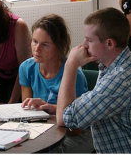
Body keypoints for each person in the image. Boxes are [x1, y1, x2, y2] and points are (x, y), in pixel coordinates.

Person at [56, 7, 131, 153]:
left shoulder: (120, 79)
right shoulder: (123, 62)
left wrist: (70, 65)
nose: (84, 45)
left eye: (89, 40)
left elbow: (65, 119)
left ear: (109, 43)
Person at [19, 14, 94, 153]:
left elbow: (76, 129)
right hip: (44, 130)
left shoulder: (74, 74)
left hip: (77, 134)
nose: (37, 49)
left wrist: (50, 110)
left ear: (59, 46)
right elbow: (27, 111)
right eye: (34, 41)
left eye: (45, 44)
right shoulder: (26, 68)